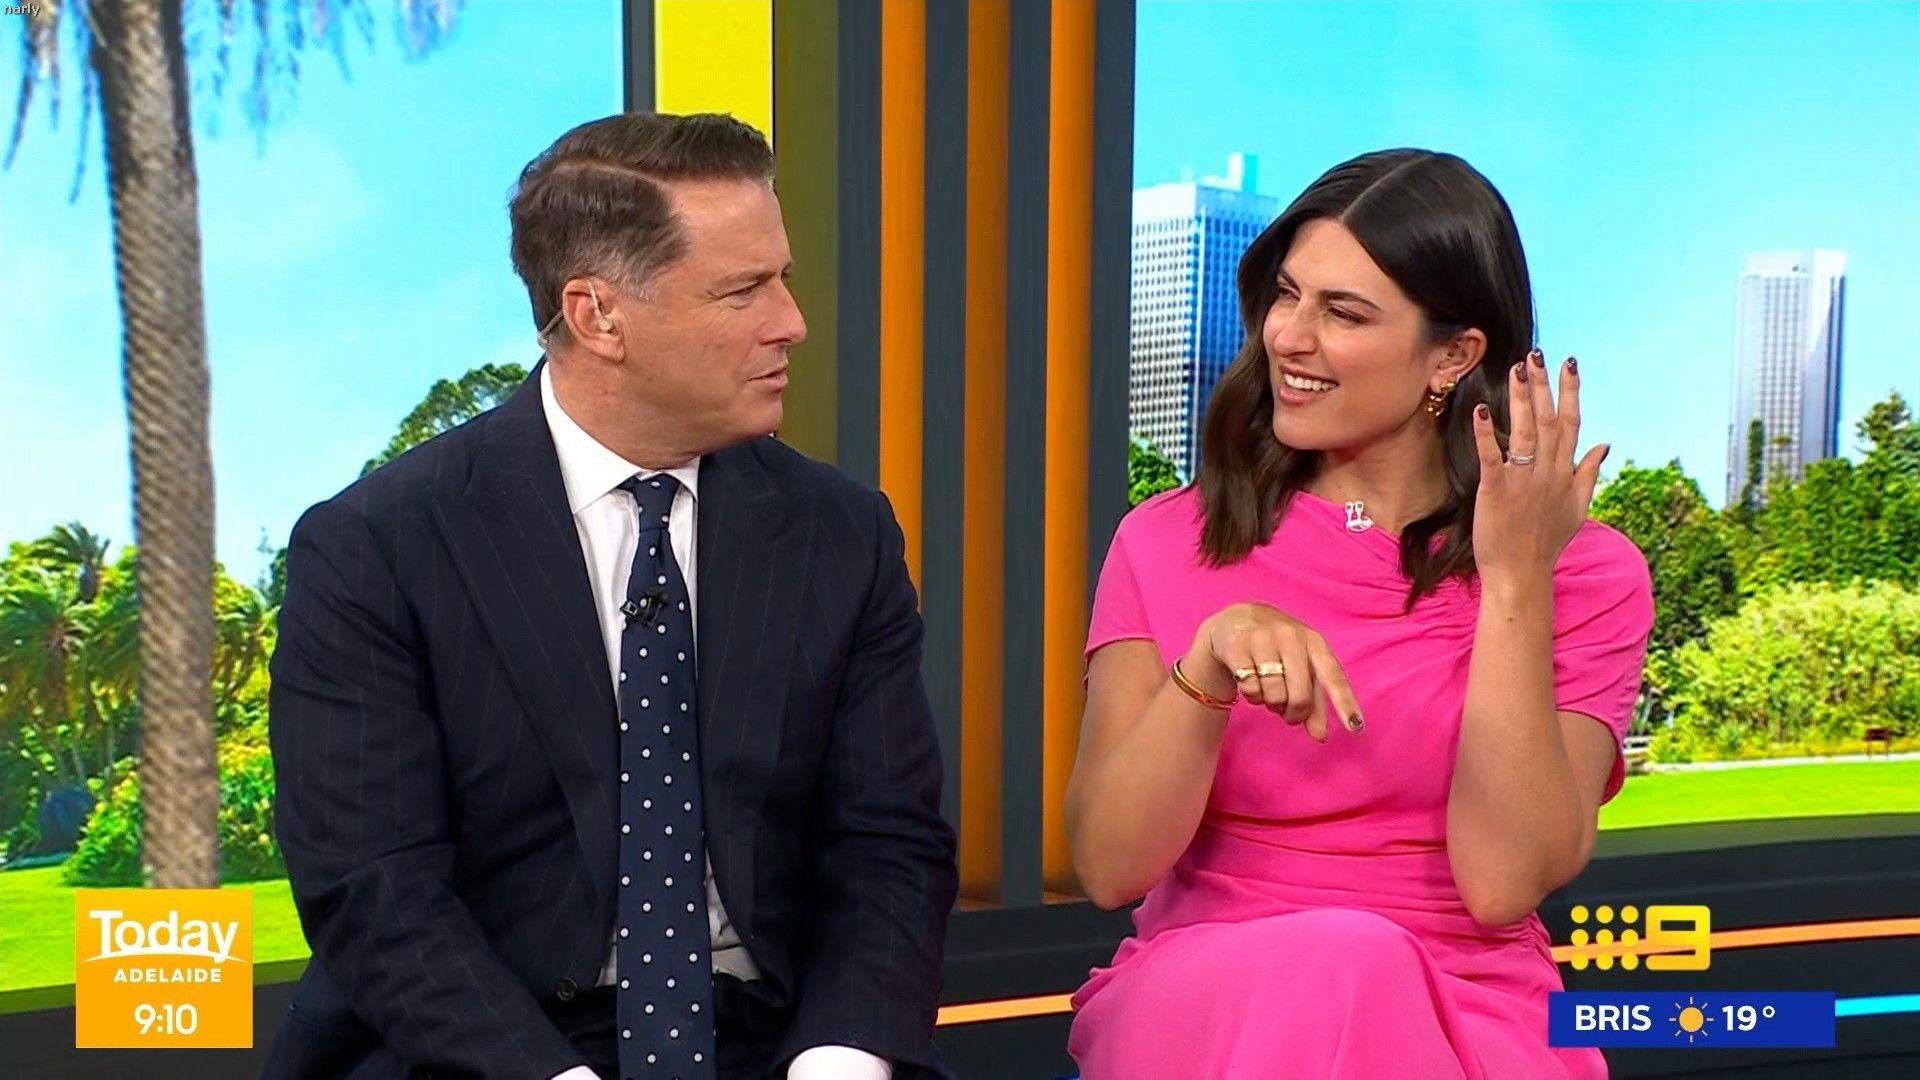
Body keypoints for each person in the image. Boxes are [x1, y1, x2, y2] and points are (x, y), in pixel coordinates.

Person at [267, 112, 958, 1080]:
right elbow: (376, 888)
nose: (791, 321)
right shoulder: (376, 549)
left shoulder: (842, 535)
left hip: (779, 1039)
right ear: (596, 316)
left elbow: (888, 846)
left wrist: (837, 1064)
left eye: (784, 277)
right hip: (490, 1051)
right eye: (743, 290)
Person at [1062, 149, 1653, 1079]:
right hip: (1204, 994)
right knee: (1345, 961)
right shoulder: (1167, 540)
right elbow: (1107, 866)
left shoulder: (1586, 573)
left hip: (1474, 1007)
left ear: (1453, 356)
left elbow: (1501, 883)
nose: (1288, 337)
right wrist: (1205, 671)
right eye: (1285, 295)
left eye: (1342, 313)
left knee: (1360, 966)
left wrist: (1513, 582)